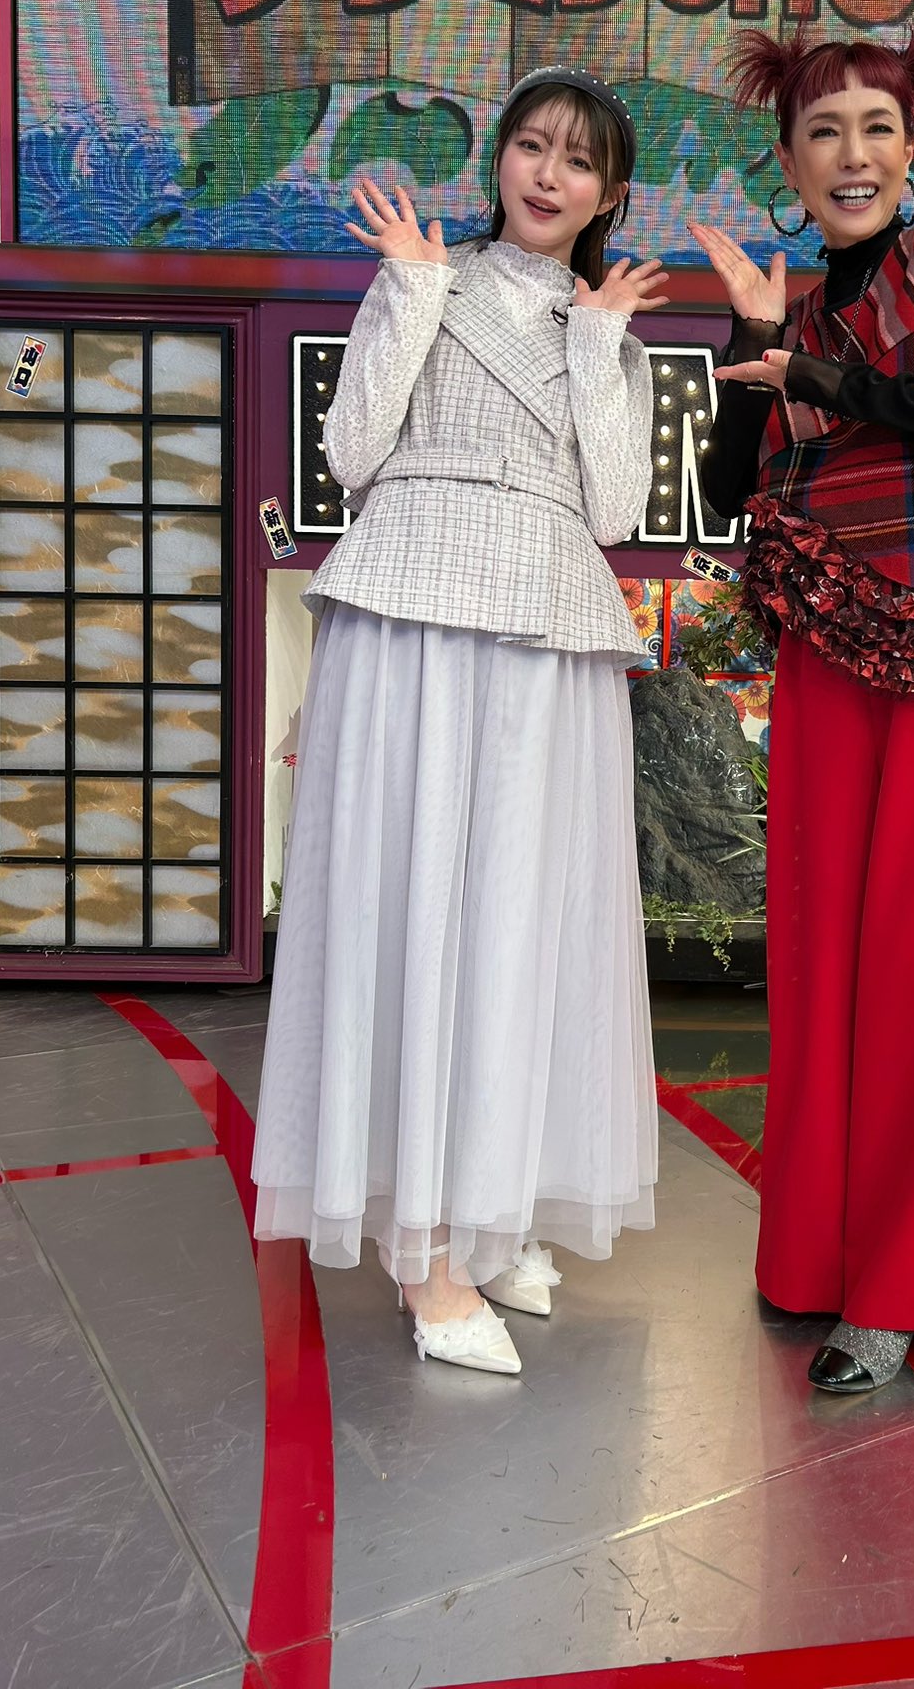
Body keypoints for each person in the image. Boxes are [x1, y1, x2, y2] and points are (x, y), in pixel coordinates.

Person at [252, 67, 665, 1376]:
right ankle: (423, 1248)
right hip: (412, 607)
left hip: (548, 622)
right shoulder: (424, 277)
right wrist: (415, 294)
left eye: (579, 161)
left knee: (521, 920)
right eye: (532, 147)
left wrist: (597, 341)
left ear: (608, 194)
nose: (549, 174)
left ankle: (489, 1213)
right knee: (415, 907)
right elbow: (353, 454)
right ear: (499, 160)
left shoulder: (608, 329)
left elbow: (615, 512)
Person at [692, 28, 914, 1393]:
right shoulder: (790, 311)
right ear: (789, 164)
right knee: (825, 962)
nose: (853, 155)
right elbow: (727, 488)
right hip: (836, 655)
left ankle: (913, 1285)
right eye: (824, 132)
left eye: (878, 128)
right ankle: (823, 1255)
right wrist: (758, 342)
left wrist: (822, 379)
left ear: (912, 150)